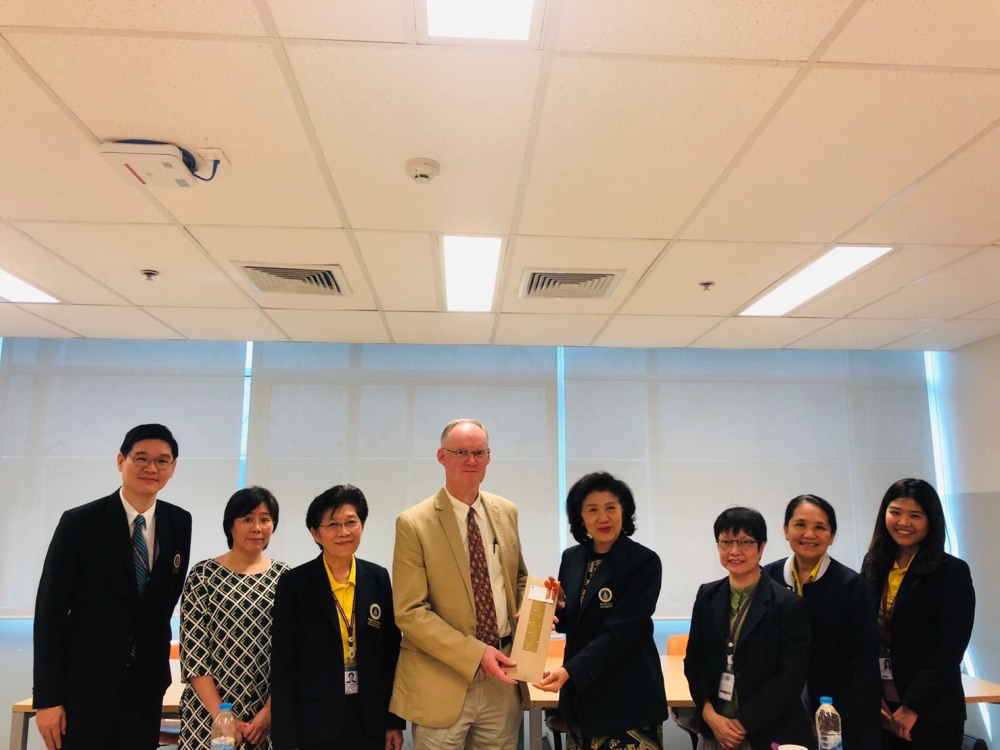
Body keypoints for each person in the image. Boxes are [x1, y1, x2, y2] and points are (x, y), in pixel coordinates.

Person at [33, 423, 192, 750]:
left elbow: (163, 601)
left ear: (173, 468)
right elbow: (50, 612)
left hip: (146, 686)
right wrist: (47, 699)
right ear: (121, 460)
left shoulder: (179, 522)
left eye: (162, 461)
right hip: (85, 686)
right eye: (141, 458)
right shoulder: (80, 523)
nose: (151, 468)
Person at [390, 418, 528, 749]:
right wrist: (476, 653)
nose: (471, 460)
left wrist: (535, 608)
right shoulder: (413, 523)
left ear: (489, 457)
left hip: (502, 677)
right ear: (442, 457)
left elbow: (518, 579)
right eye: (460, 452)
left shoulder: (506, 511)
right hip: (441, 678)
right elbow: (410, 612)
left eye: (479, 452)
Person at [534, 472, 668, 749]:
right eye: (592, 510)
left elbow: (621, 631)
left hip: (627, 697)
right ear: (580, 517)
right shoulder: (572, 558)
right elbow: (573, 621)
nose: (603, 518)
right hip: (581, 698)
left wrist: (569, 670)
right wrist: (549, 611)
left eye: (610, 508)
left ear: (624, 511)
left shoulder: (644, 562)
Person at [271, 484, 404, 750]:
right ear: (315, 533)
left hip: (369, 718)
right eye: (332, 524)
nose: (343, 532)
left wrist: (394, 722)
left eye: (351, 522)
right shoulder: (295, 583)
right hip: (315, 722)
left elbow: (390, 654)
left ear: (362, 525)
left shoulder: (377, 578)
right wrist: (286, 739)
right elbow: (283, 664)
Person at [861, 478, 975, 750]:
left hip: (932, 710)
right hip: (883, 709)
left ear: (931, 521)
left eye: (915, 515)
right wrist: (871, 694)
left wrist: (912, 706)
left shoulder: (951, 571)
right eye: (895, 512)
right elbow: (863, 633)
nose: (903, 522)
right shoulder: (874, 564)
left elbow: (951, 647)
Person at [684, 507, 810, 750]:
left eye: (745, 542)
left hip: (767, 732)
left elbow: (791, 677)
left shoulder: (788, 604)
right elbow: (694, 662)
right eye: (726, 542)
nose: (734, 551)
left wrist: (742, 724)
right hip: (714, 730)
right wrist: (709, 715)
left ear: (761, 547)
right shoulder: (707, 595)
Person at [763, 494, 881, 750]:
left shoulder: (852, 586)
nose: (809, 534)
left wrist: (833, 722)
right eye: (800, 524)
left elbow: (863, 663)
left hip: (836, 716)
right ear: (785, 530)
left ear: (832, 535)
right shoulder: (766, 579)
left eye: (820, 527)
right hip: (778, 714)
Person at [179, 486, 289, 750]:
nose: (257, 528)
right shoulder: (203, 575)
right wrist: (223, 716)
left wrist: (270, 711)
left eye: (265, 519)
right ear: (230, 525)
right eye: (247, 519)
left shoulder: (286, 577)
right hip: (208, 713)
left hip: (266, 717)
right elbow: (194, 654)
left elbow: (291, 653)